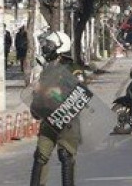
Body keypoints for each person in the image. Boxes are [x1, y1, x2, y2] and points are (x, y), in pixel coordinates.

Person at [29, 31, 90, 186]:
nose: (45, 48)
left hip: (66, 119)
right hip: (49, 119)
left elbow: (80, 93)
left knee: (66, 155)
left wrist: (56, 94)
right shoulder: (47, 69)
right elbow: (41, 92)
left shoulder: (73, 69)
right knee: (40, 156)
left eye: (49, 45)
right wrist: (36, 104)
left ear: (60, 47)